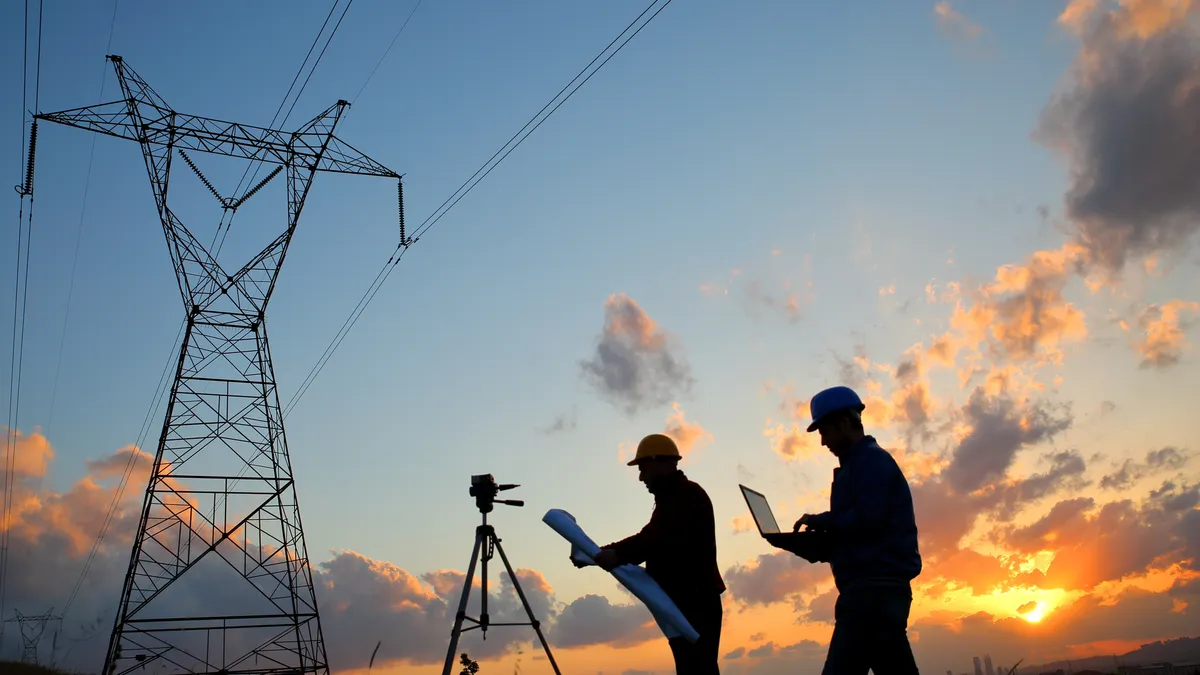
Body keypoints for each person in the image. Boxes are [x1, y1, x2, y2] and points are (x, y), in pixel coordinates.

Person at [790, 386, 922, 675]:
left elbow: (867, 520)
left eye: (824, 431)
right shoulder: (859, 464)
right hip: (876, 591)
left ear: (844, 423)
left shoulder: (870, 461)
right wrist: (820, 546)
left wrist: (823, 523)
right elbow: (859, 528)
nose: (822, 442)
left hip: (871, 594)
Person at [582, 434, 725, 674]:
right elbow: (651, 537)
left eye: (644, 468)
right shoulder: (675, 497)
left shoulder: (685, 496)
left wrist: (612, 554)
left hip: (694, 602)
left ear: (660, 463)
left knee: (697, 668)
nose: (641, 477)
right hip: (686, 601)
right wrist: (606, 553)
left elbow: (654, 540)